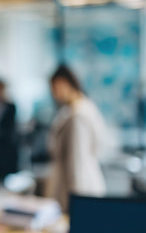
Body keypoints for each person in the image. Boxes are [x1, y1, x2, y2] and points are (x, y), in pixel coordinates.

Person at [46, 65, 106, 211]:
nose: (54, 94)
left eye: (55, 88)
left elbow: (77, 162)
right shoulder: (78, 109)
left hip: (77, 189)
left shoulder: (78, 116)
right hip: (79, 188)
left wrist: (77, 203)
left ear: (64, 83)